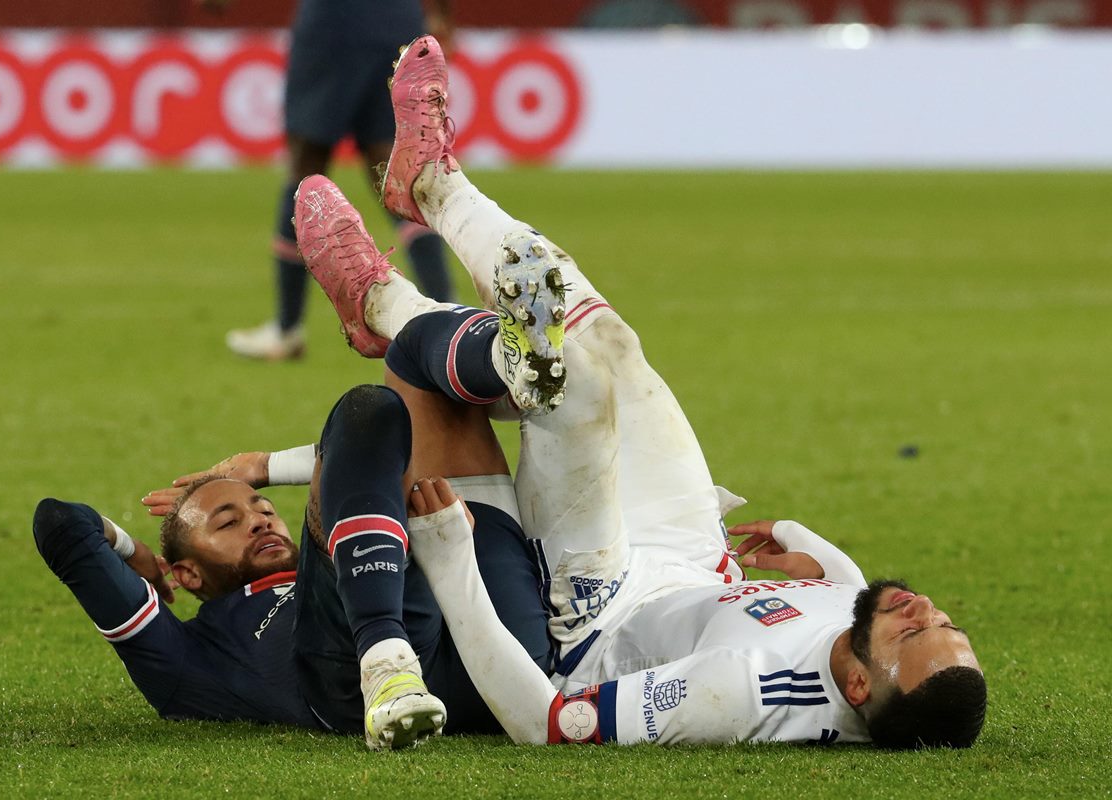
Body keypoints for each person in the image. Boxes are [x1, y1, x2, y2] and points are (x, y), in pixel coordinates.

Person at [286, 34, 988, 749]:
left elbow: (549, 724)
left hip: (601, 606)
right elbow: (849, 600)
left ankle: (395, 285)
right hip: (693, 552)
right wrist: (815, 555)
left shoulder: (740, 691)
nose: (926, 608)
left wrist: (450, 562)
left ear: (863, 687)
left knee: (577, 383)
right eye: (946, 623)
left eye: (916, 632)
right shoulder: (863, 639)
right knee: (611, 347)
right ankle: (422, 212)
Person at [33, 181, 555, 748]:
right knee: (370, 409)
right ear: (188, 575)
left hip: (502, 648)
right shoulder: (191, 658)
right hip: (345, 679)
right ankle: (384, 662)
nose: (259, 519)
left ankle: (511, 360)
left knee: (406, 359)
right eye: (227, 524)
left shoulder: (356, 545)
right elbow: (59, 523)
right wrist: (137, 556)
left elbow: (362, 462)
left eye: (261, 508)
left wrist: (267, 466)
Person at [224, 0, 456, 361]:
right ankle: (450, 318)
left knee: (306, 164)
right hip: (398, 24)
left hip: (335, 23)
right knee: (394, 169)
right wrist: (441, 12)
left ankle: (287, 329)